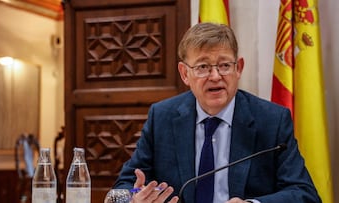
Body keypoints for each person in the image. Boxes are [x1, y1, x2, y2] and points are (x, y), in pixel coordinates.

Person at [113, 22, 321, 203]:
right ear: (185, 73)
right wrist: (131, 198)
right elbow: (119, 190)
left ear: (238, 68)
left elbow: (305, 194)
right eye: (203, 66)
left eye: (224, 65)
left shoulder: (272, 120)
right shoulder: (162, 117)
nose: (215, 76)